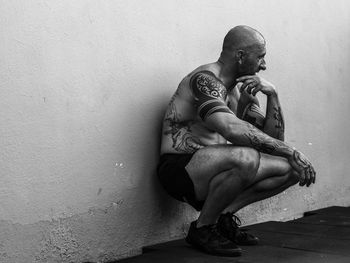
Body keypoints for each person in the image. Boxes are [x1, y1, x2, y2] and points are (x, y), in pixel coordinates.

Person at [157, 25, 316, 257]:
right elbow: (231, 129)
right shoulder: (205, 80)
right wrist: (290, 150)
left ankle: (222, 219)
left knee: (291, 168)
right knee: (247, 156)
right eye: (260, 57)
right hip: (180, 170)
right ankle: (202, 229)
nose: (264, 65)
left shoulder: (241, 91)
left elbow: (272, 140)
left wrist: (273, 95)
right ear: (240, 56)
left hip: (214, 167)